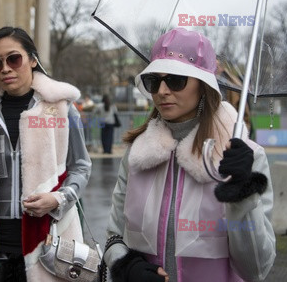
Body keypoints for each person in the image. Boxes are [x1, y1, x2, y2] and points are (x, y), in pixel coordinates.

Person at [102, 28, 275, 282]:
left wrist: (243, 196)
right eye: (153, 81)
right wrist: (125, 265)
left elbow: (257, 268)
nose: (161, 90)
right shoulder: (137, 154)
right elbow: (114, 235)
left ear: (203, 86)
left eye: (175, 79)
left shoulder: (246, 158)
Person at [0, 26, 92, 282]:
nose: (5, 68)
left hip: (50, 244)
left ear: (32, 60)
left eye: (13, 59)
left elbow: (81, 166)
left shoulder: (62, 109)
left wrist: (58, 199)